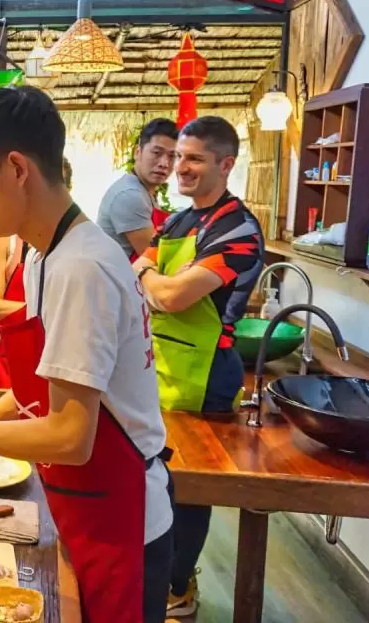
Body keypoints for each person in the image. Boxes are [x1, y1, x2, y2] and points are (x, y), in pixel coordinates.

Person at [0, 87, 173, 623]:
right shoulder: (47, 255)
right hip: (83, 506)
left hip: (122, 520)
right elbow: (32, 394)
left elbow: (70, 435)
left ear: (17, 168)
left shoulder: (81, 266)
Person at [131, 116, 264, 617]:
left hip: (207, 373)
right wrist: (153, 274)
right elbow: (143, 275)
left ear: (226, 164)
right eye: (177, 157)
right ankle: (156, 574)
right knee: (156, 479)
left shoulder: (240, 230)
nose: (178, 168)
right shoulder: (178, 221)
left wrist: (153, 273)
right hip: (158, 363)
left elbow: (171, 295)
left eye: (193, 159)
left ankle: (178, 587)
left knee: (188, 487)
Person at [0, 158, 72, 389]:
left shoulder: (76, 248)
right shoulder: (5, 238)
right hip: (9, 364)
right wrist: (53, 313)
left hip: (57, 365)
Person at [97, 119, 178, 260]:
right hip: (119, 280)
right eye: (157, 153)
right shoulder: (130, 195)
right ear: (137, 152)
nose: (164, 163)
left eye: (172, 156)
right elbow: (156, 259)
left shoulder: (144, 191)